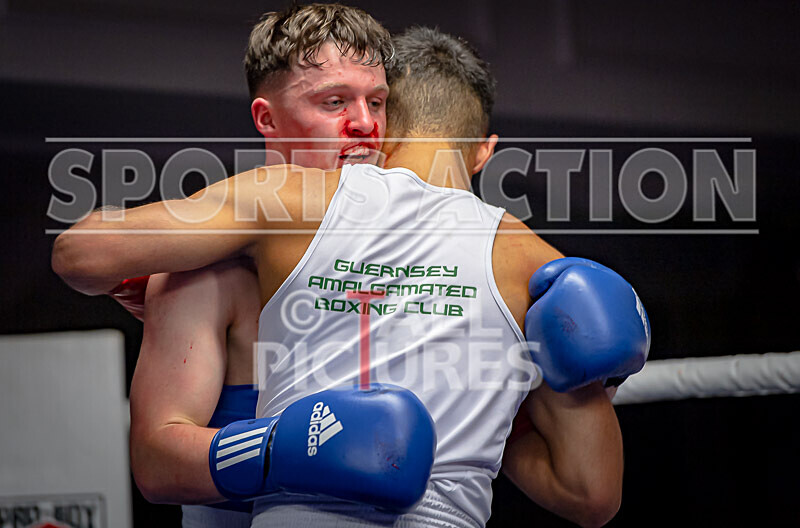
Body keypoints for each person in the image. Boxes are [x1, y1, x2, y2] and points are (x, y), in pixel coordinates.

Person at [53, 25, 647, 528]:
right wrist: (489, 398)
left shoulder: (280, 206)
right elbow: (592, 495)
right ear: (484, 151)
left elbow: (80, 252)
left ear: (381, 130)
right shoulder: (537, 265)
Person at [116, 5, 395, 528]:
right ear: (267, 118)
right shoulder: (208, 270)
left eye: (375, 101)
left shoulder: (409, 254)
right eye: (335, 101)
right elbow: (154, 463)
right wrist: (285, 453)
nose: (365, 122)